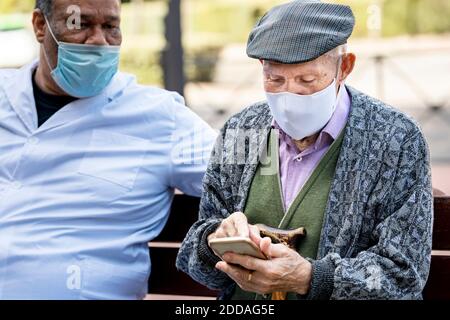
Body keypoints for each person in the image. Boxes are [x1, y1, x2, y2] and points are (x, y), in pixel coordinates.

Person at [177, 0, 433, 300]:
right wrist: (213, 240)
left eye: (307, 80)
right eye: (274, 80)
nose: (289, 94)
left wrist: (311, 279)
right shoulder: (241, 130)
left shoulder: (396, 139)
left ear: (345, 67)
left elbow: (402, 276)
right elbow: (199, 260)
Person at [0, 0, 216, 299]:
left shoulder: (158, 116)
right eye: (81, 24)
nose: (99, 41)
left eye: (111, 27)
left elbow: (244, 170)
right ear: (40, 25)